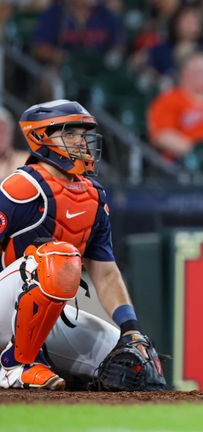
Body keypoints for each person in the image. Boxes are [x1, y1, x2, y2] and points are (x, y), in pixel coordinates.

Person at [0, 100, 164, 390]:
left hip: (46, 319)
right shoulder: (21, 187)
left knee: (130, 365)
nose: (80, 141)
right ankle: (14, 366)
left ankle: (62, 375)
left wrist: (130, 329)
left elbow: (106, 273)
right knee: (55, 256)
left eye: (81, 134)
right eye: (69, 133)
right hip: (5, 307)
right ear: (39, 136)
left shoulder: (93, 197)